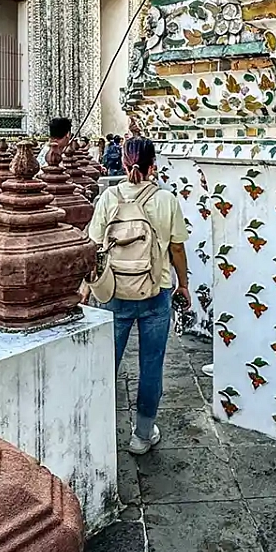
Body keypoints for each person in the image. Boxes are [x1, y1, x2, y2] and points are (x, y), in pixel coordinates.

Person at [89, 136, 190, 455]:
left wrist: (85, 286)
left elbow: (93, 246)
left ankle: (96, 432)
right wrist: (182, 284)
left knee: (105, 365)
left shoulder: (107, 198)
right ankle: (142, 435)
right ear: (152, 167)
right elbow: (176, 248)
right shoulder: (166, 200)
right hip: (155, 292)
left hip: (114, 293)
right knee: (151, 366)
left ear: (122, 163)